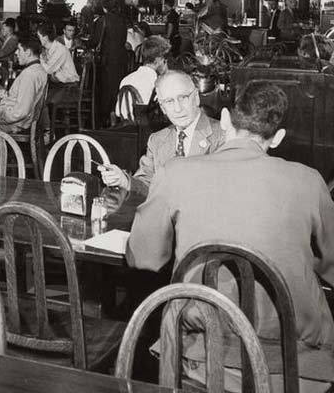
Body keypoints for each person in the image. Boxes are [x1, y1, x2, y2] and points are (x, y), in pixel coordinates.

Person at [126, 82, 334, 392]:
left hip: (203, 359)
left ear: (224, 120)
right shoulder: (309, 181)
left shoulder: (175, 172)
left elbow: (143, 257)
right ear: (277, 138)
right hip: (294, 366)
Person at [100, 70, 222, 195]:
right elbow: (147, 183)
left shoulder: (223, 136)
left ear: (196, 97)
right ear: (163, 108)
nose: (177, 108)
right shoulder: (157, 140)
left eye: (183, 98)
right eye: (169, 102)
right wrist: (124, 180)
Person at [89, 0, 128, 126]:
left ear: (104, 7)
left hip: (106, 60)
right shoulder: (123, 20)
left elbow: (94, 41)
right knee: (116, 88)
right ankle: (115, 115)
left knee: (105, 90)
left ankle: (104, 120)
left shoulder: (102, 20)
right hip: (121, 60)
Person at [114, 35, 170, 121]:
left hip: (124, 127)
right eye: (164, 60)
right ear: (158, 60)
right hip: (147, 129)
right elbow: (165, 113)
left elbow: (118, 111)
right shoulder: (156, 82)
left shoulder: (126, 79)